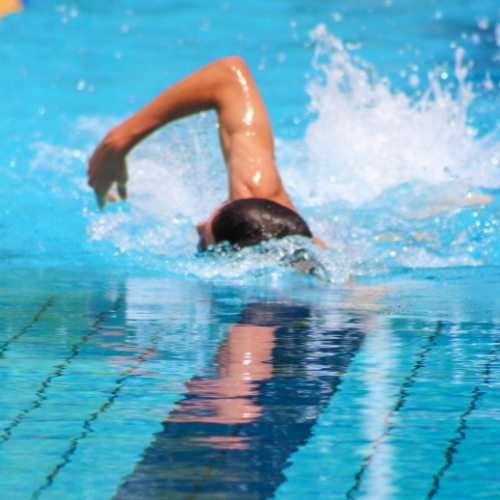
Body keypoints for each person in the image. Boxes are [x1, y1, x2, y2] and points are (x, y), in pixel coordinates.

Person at [87, 56, 326, 251]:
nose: (198, 226)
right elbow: (229, 76)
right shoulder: (260, 199)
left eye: (204, 241)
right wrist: (118, 141)